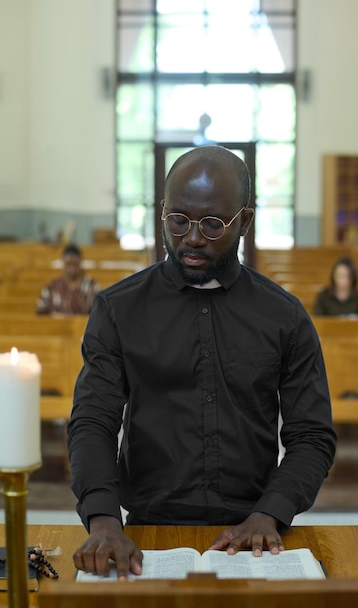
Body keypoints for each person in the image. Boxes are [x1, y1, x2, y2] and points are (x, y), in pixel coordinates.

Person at [67, 145, 336, 579]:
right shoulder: (119, 309)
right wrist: (102, 520)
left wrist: (271, 513)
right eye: (179, 220)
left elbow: (312, 435)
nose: (192, 237)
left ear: (244, 221)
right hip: (146, 532)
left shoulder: (284, 317)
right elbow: (93, 421)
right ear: (163, 213)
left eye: (213, 224)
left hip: (255, 533)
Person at [36, 243, 100, 315]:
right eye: (68, 264)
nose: (72, 268)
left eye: (75, 264)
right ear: (63, 264)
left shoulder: (92, 286)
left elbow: (98, 314)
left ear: (80, 263)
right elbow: (40, 314)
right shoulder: (52, 287)